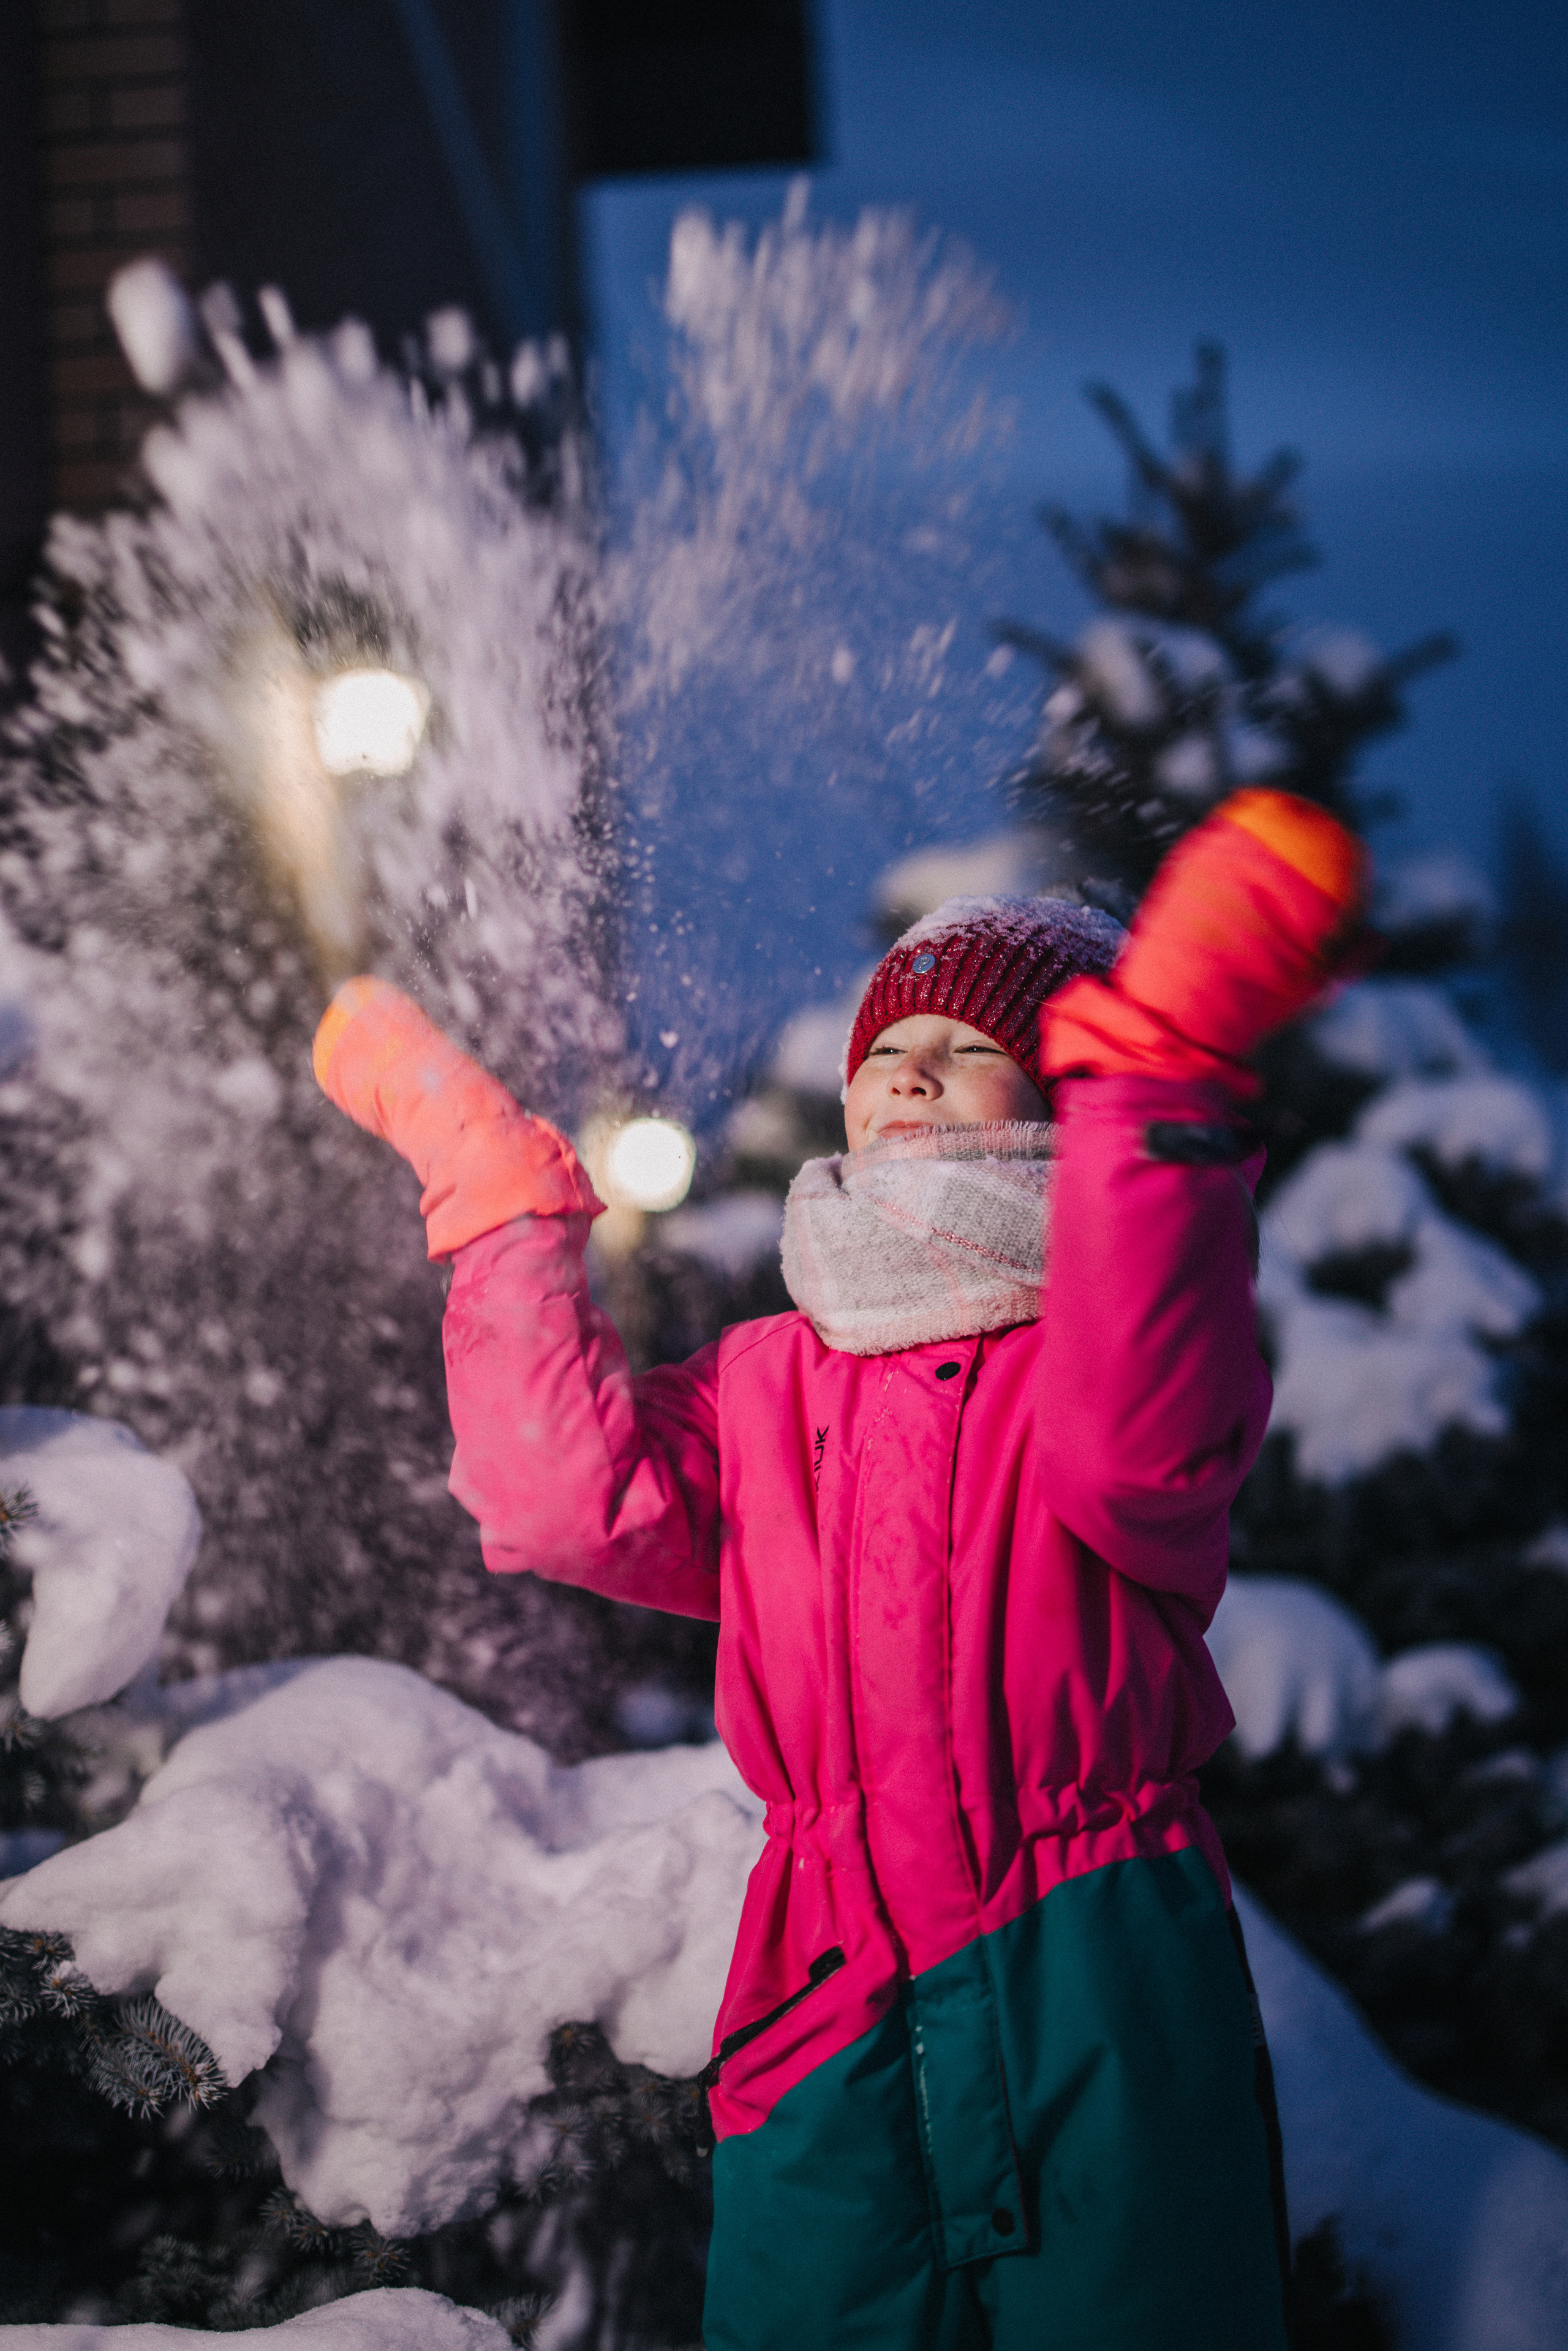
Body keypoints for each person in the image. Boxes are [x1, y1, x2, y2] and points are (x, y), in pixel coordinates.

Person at [312, 787, 1368, 2350]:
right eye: (884, 1050)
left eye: (965, 1044)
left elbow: (1134, 1445)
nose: (907, 1069)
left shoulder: (1102, 1335)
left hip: (1089, 1963)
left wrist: (1153, 1086)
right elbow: (557, 1497)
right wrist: (497, 1198)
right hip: (826, 1985)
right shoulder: (765, 1378)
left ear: (1062, 1091)